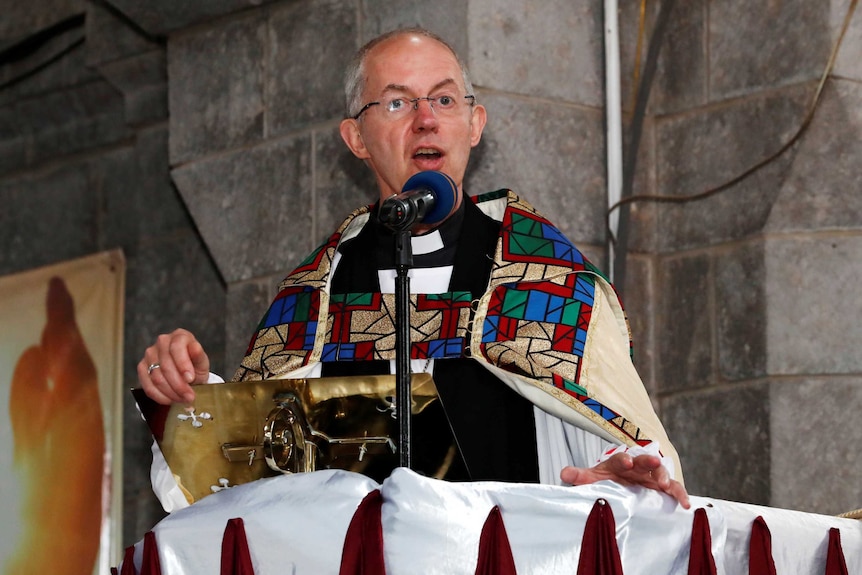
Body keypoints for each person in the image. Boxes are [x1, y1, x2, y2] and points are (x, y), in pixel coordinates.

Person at [139, 27, 689, 509]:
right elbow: (242, 479)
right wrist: (188, 396)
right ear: (355, 138)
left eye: (445, 101)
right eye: (398, 103)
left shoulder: (550, 284)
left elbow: (620, 463)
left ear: (475, 124)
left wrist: (615, 483)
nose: (427, 120)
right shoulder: (316, 301)